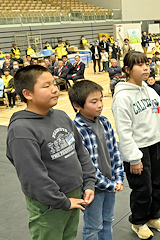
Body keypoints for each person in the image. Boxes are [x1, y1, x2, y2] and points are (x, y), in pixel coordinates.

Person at [7, 65, 96, 240]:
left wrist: (89, 183)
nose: (55, 89)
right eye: (46, 86)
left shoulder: (61, 116)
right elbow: (33, 177)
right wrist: (61, 201)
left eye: (54, 83)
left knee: (68, 236)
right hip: (49, 205)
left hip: (75, 196)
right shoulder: (21, 130)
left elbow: (80, 151)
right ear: (28, 94)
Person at [111, 51, 160, 240]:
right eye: (140, 65)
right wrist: (133, 158)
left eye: (147, 63)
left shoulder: (151, 91)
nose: (146, 67)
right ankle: (138, 222)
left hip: (156, 145)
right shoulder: (122, 97)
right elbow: (124, 131)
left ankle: (153, 217)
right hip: (138, 150)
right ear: (128, 70)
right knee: (142, 189)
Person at [69, 80, 124, 240]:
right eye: (94, 102)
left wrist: (118, 178)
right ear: (77, 105)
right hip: (92, 189)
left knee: (108, 221)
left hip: (109, 185)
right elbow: (87, 166)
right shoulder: (76, 129)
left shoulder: (105, 122)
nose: (100, 104)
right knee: (93, 226)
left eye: (101, 99)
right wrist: (110, 184)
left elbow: (115, 153)